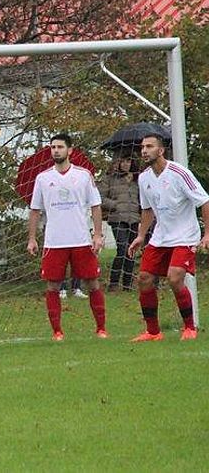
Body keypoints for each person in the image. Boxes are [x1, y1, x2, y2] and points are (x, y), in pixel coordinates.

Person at [128, 134, 209, 341]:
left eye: (149, 146)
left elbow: (205, 201)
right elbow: (147, 210)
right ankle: (153, 332)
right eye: (142, 147)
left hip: (185, 235)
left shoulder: (179, 173)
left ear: (161, 150)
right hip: (161, 236)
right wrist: (140, 236)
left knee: (174, 278)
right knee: (144, 279)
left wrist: (207, 234)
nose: (144, 150)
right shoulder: (144, 177)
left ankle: (190, 328)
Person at [26, 133, 106, 341]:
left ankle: (101, 329)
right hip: (54, 241)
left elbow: (95, 206)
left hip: (81, 240)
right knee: (52, 285)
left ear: (70, 150)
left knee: (93, 283)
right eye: (53, 147)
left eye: (60, 147)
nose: (56, 151)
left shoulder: (83, 175)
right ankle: (57, 332)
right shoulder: (43, 178)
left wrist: (97, 235)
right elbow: (35, 210)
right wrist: (32, 238)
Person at [97, 154, 141, 292]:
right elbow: (100, 198)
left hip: (134, 218)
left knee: (131, 251)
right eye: (123, 161)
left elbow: (143, 199)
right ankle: (114, 283)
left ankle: (127, 284)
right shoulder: (110, 179)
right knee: (122, 249)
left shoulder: (137, 180)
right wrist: (115, 205)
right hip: (117, 218)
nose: (125, 164)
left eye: (128, 161)